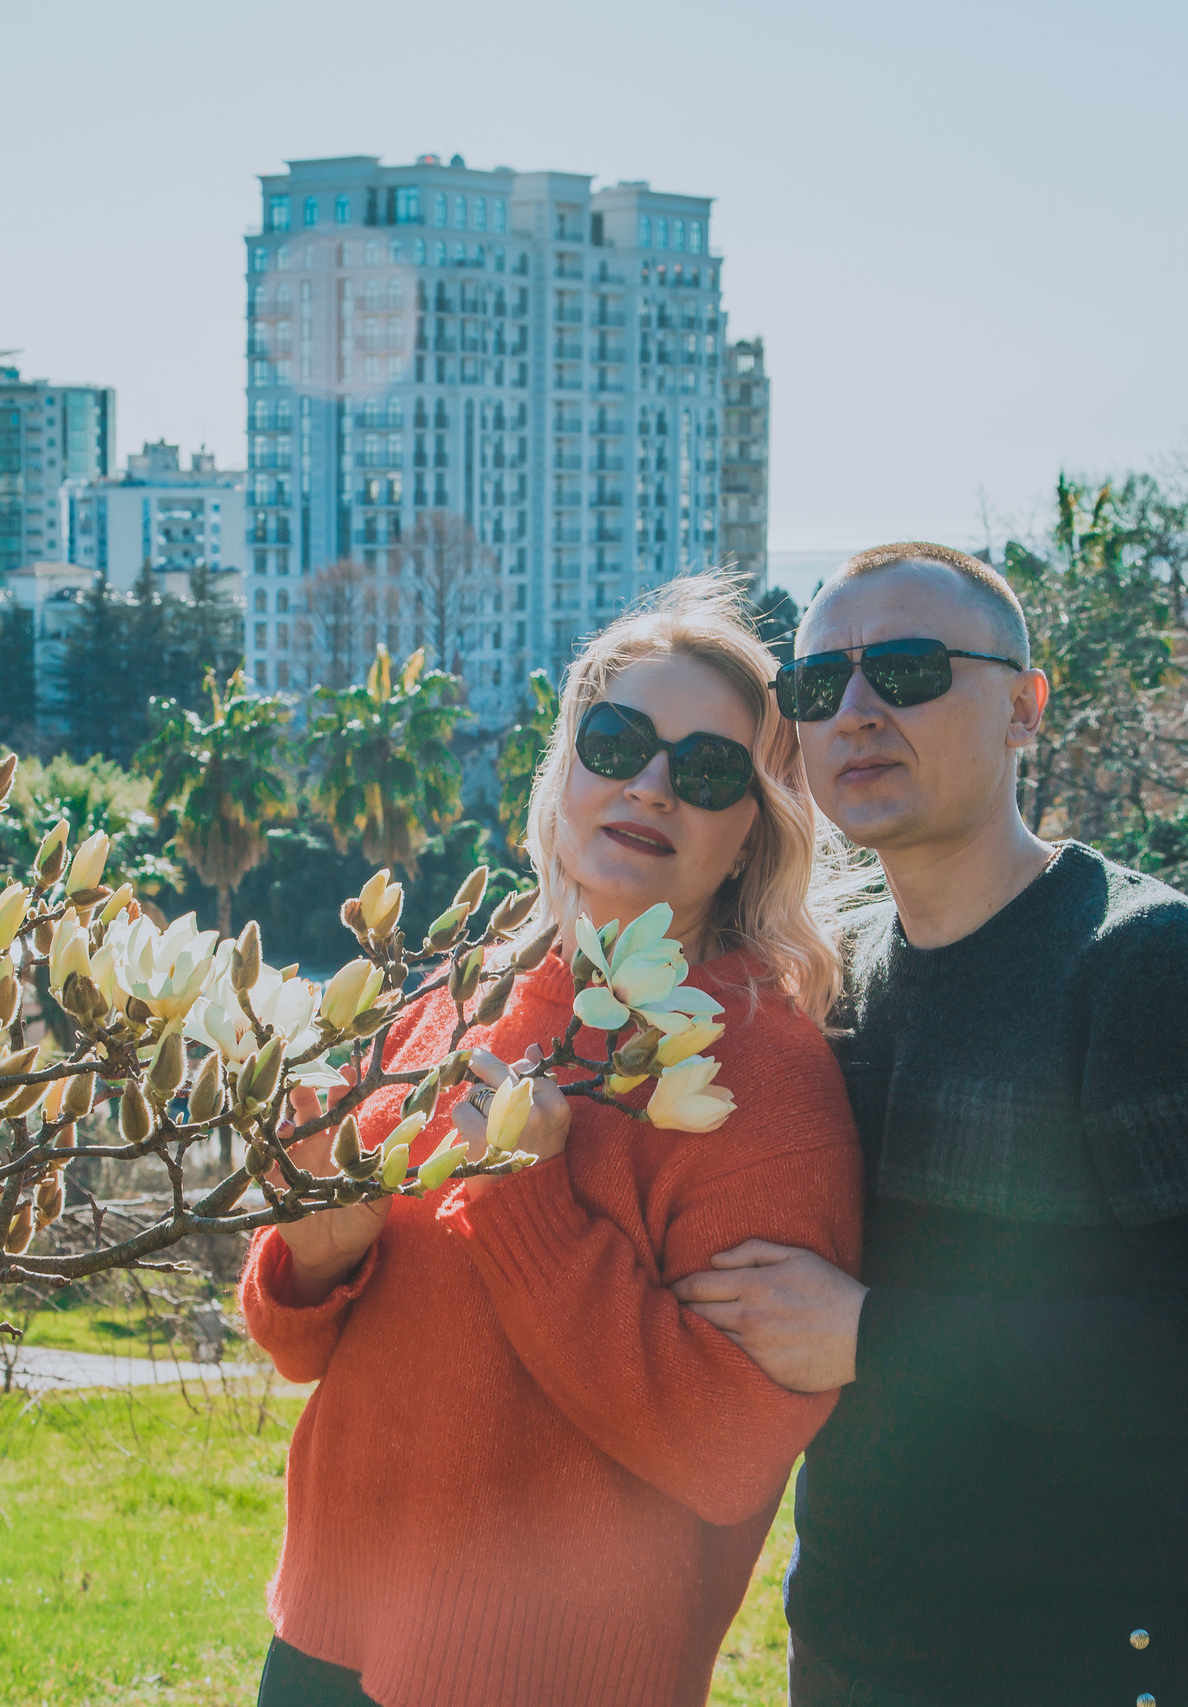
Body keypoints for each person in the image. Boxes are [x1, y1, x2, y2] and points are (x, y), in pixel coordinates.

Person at [672, 544, 1188, 1706]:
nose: (856, 711)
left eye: (908, 668)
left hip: (1077, 1669)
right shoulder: (829, 972)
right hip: (845, 1657)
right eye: (816, 685)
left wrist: (872, 1333)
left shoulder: (1151, 966)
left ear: (1024, 709)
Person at [241, 583, 863, 1707]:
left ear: (751, 832)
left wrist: (528, 1202)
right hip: (326, 1637)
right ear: (565, 771)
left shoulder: (764, 1079)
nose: (651, 784)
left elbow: (729, 1447)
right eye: (616, 741)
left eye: (707, 771)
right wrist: (312, 1258)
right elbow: (306, 1344)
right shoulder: (470, 989)